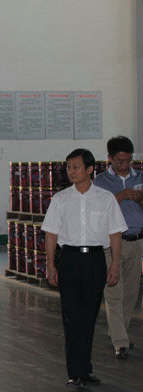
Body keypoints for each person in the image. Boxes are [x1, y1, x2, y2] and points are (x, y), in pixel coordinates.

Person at [42, 148, 127, 388]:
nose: (71, 171)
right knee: (71, 318)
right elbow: (51, 234)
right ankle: (74, 372)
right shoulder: (60, 199)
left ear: (90, 169)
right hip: (69, 259)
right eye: (68, 167)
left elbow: (115, 233)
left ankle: (85, 370)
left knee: (89, 317)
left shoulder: (106, 198)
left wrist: (115, 264)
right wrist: (51, 263)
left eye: (76, 167)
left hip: (95, 260)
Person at [93, 136, 143, 360]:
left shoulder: (140, 177)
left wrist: (139, 200)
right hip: (113, 243)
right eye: (120, 161)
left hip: (136, 240)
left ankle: (118, 332)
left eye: (128, 160)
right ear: (110, 158)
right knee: (114, 291)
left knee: (131, 292)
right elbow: (96, 212)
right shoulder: (100, 182)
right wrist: (120, 197)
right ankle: (120, 342)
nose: (124, 165)